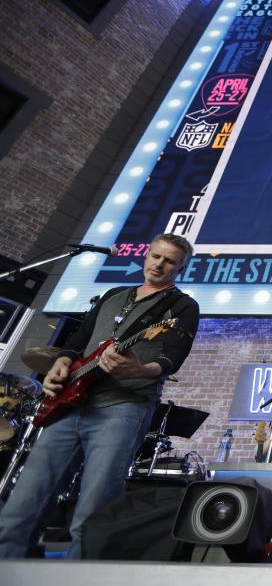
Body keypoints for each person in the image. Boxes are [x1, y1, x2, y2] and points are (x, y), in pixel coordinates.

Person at [0, 233, 199, 559]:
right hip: (69, 405)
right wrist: (62, 361)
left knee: (92, 510)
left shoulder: (181, 307)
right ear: (146, 256)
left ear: (180, 269)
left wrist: (140, 369)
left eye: (169, 261)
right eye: (156, 256)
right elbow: (78, 341)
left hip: (122, 408)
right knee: (23, 503)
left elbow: (171, 359)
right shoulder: (114, 294)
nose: (159, 264)